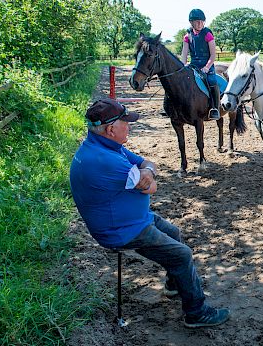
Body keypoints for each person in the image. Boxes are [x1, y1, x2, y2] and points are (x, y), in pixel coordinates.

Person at [69, 98, 230, 328]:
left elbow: (147, 163)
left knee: (173, 232)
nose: (130, 126)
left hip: (131, 219)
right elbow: (152, 187)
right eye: (126, 122)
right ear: (111, 128)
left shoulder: (106, 146)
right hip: (122, 230)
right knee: (182, 254)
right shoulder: (106, 160)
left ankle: (174, 284)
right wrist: (147, 174)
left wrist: (147, 170)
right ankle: (197, 313)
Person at [181, 8, 220, 120]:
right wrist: (182, 66)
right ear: (191, 22)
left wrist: (207, 67)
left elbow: (213, 55)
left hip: (207, 64)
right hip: (194, 65)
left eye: (202, 21)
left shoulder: (208, 34)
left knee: (212, 81)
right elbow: (184, 54)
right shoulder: (187, 36)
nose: (200, 24)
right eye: (197, 21)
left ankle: (215, 108)